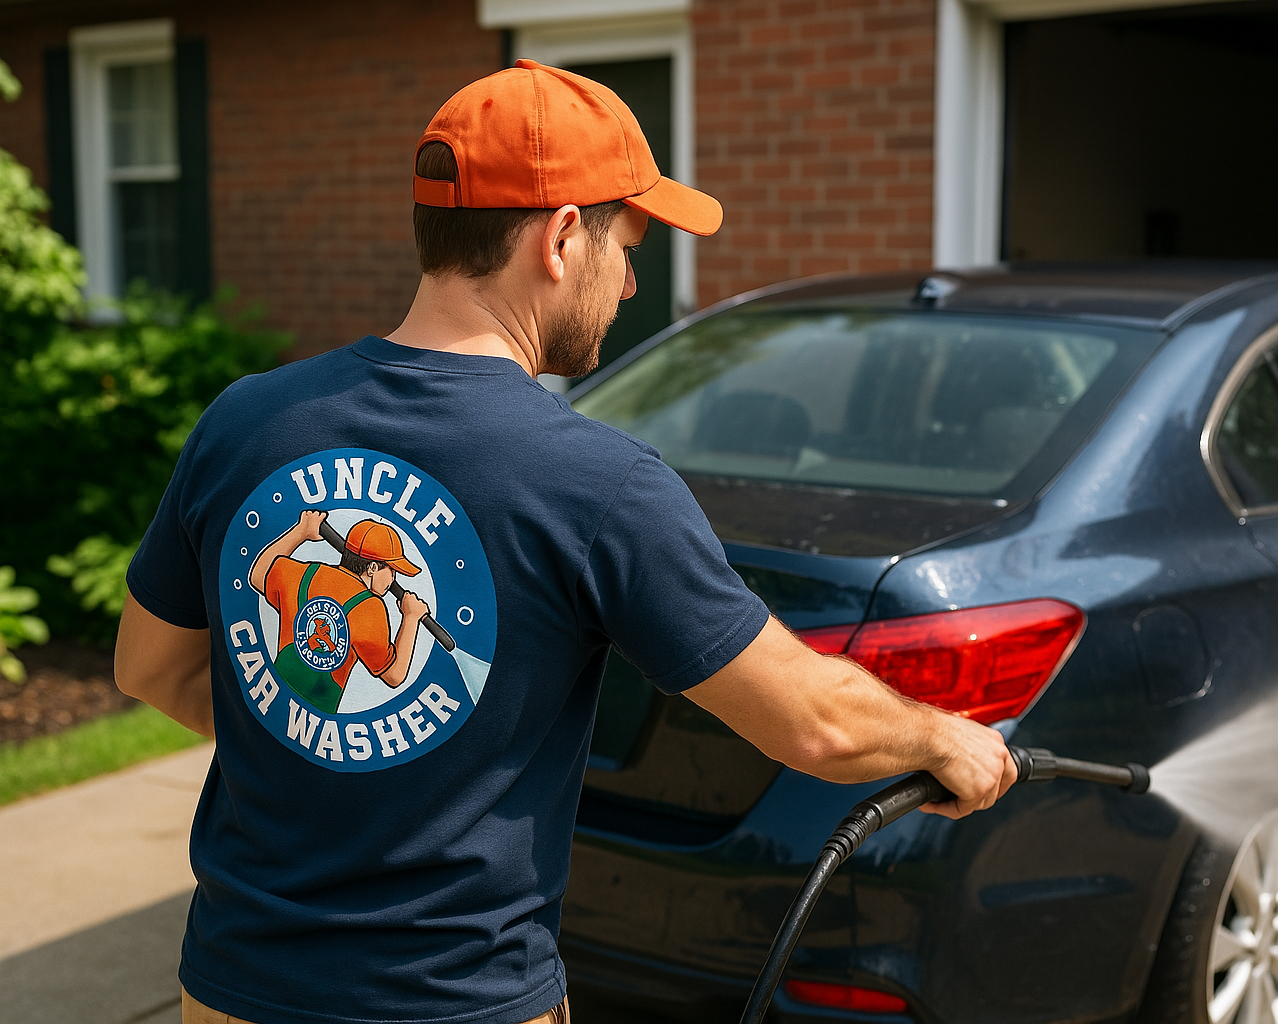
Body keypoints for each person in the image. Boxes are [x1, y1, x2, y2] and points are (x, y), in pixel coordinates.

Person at [114, 61, 1016, 1024]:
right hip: (459, 1005)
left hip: (229, 993)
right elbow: (814, 725)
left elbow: (150, 668)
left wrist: (330, 744)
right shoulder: (600, 483)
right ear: (559, 237)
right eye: (628, 243)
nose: (631, 281)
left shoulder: (247, 422)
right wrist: (942, 736)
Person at [248, 510, 429, 713]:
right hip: (316, 716)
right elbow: (394, 675)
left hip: (273, 698)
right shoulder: (371, 607)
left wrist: (301, 531)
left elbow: (258, 575)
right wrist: (411, 618)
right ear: (371, 568)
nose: (393, 579)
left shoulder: (306, 573)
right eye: (391, 570)